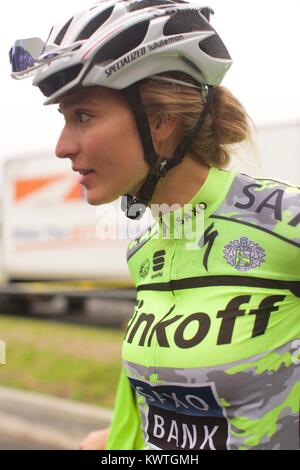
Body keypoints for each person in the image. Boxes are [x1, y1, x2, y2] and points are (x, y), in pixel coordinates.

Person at [10, 0, 300, 451]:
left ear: (160, 122)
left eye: (83, 116)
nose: (62, 147)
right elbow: (149, 417)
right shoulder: (144, 250)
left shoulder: (286, 222)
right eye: (64, 120)